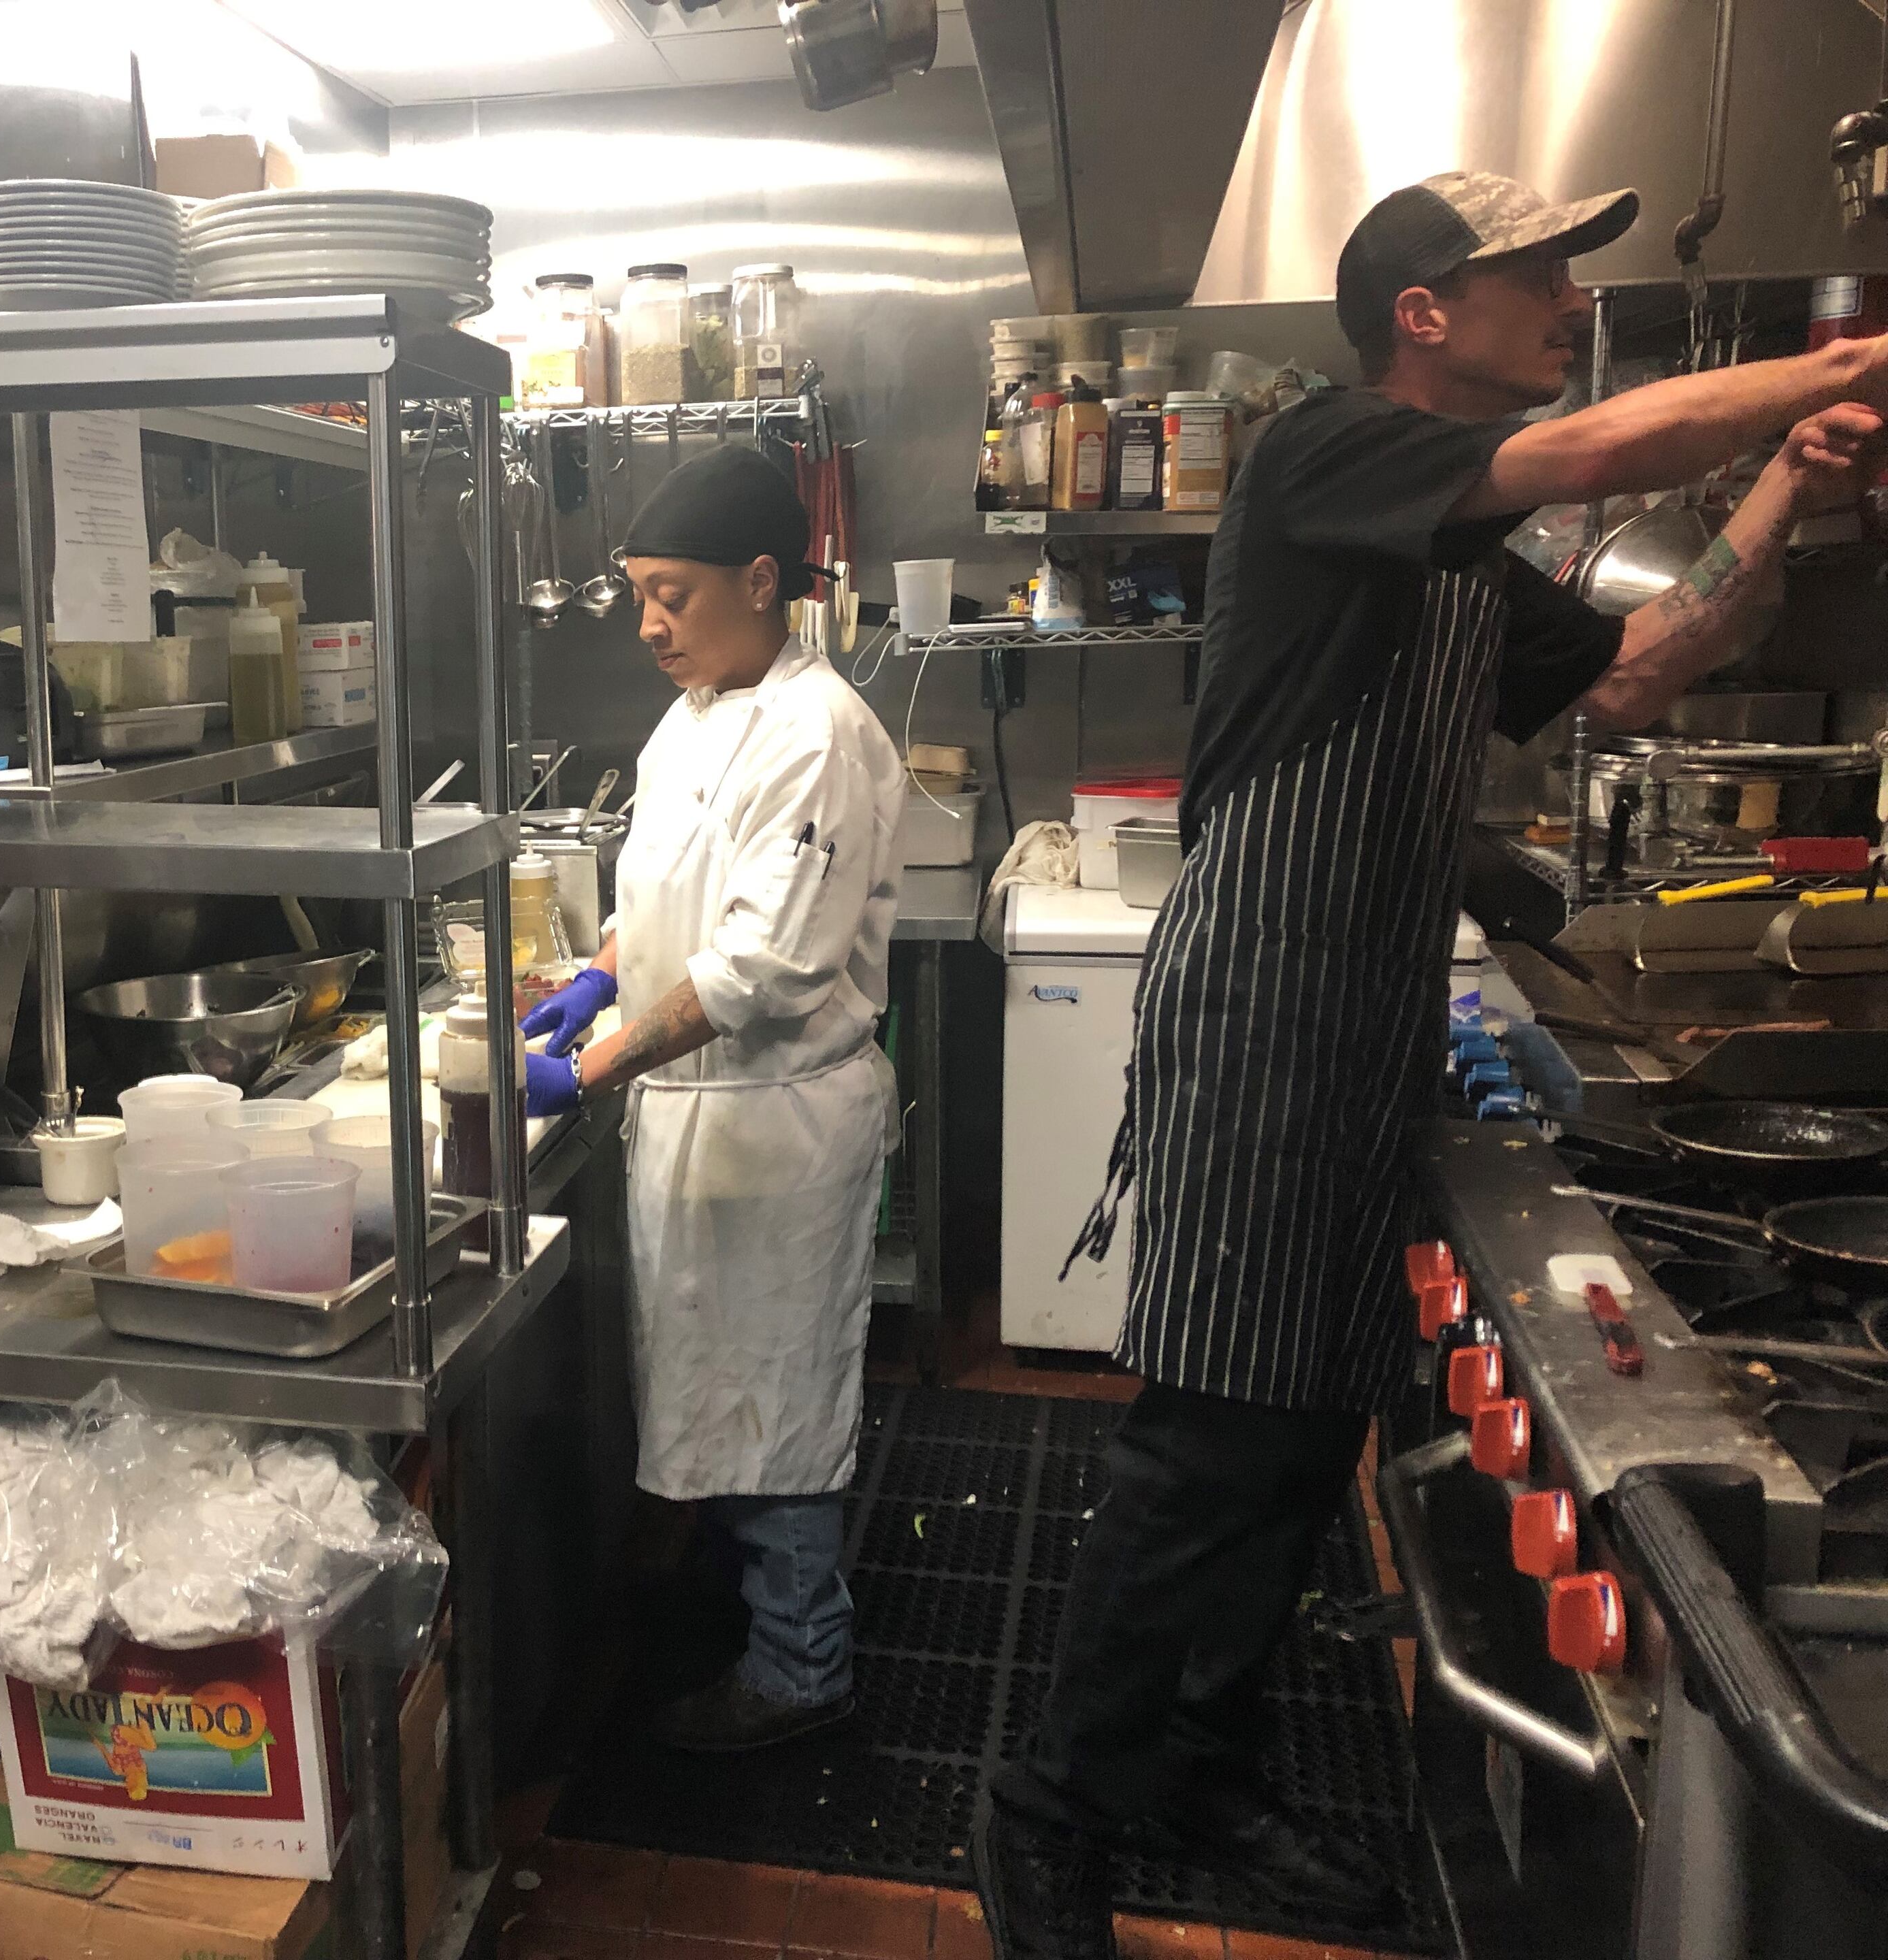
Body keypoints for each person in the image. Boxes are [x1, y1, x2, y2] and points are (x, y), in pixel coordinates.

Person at [975, 172, 1888, 1960]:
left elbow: (1640, 673)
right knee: (1206, 1441)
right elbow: (1587, 454)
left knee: (1304, 1435)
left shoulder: (1469, 552)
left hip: (1364, 1022)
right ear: (1424, 312)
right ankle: (1049, 1816)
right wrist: (1825, 370)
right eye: (1538, 272)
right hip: (1257, 1016)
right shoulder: (1325, 454)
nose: (1566, 300)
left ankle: (1206, 1780)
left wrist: (1790, 483)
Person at [518, 444, 907, 1753]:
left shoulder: (816, 736)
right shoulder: (691, 719)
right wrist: (593, 976)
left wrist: (587, 1068)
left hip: (779, 1121)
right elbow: (664, 903)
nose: (649, 626)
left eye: (672, 594)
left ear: (761, 580)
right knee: (716, 1381)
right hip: (699, 1121)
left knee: (775, 1401)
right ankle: (743, 1599)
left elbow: (761, 966)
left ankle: (805, 1667)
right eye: (636, 594)